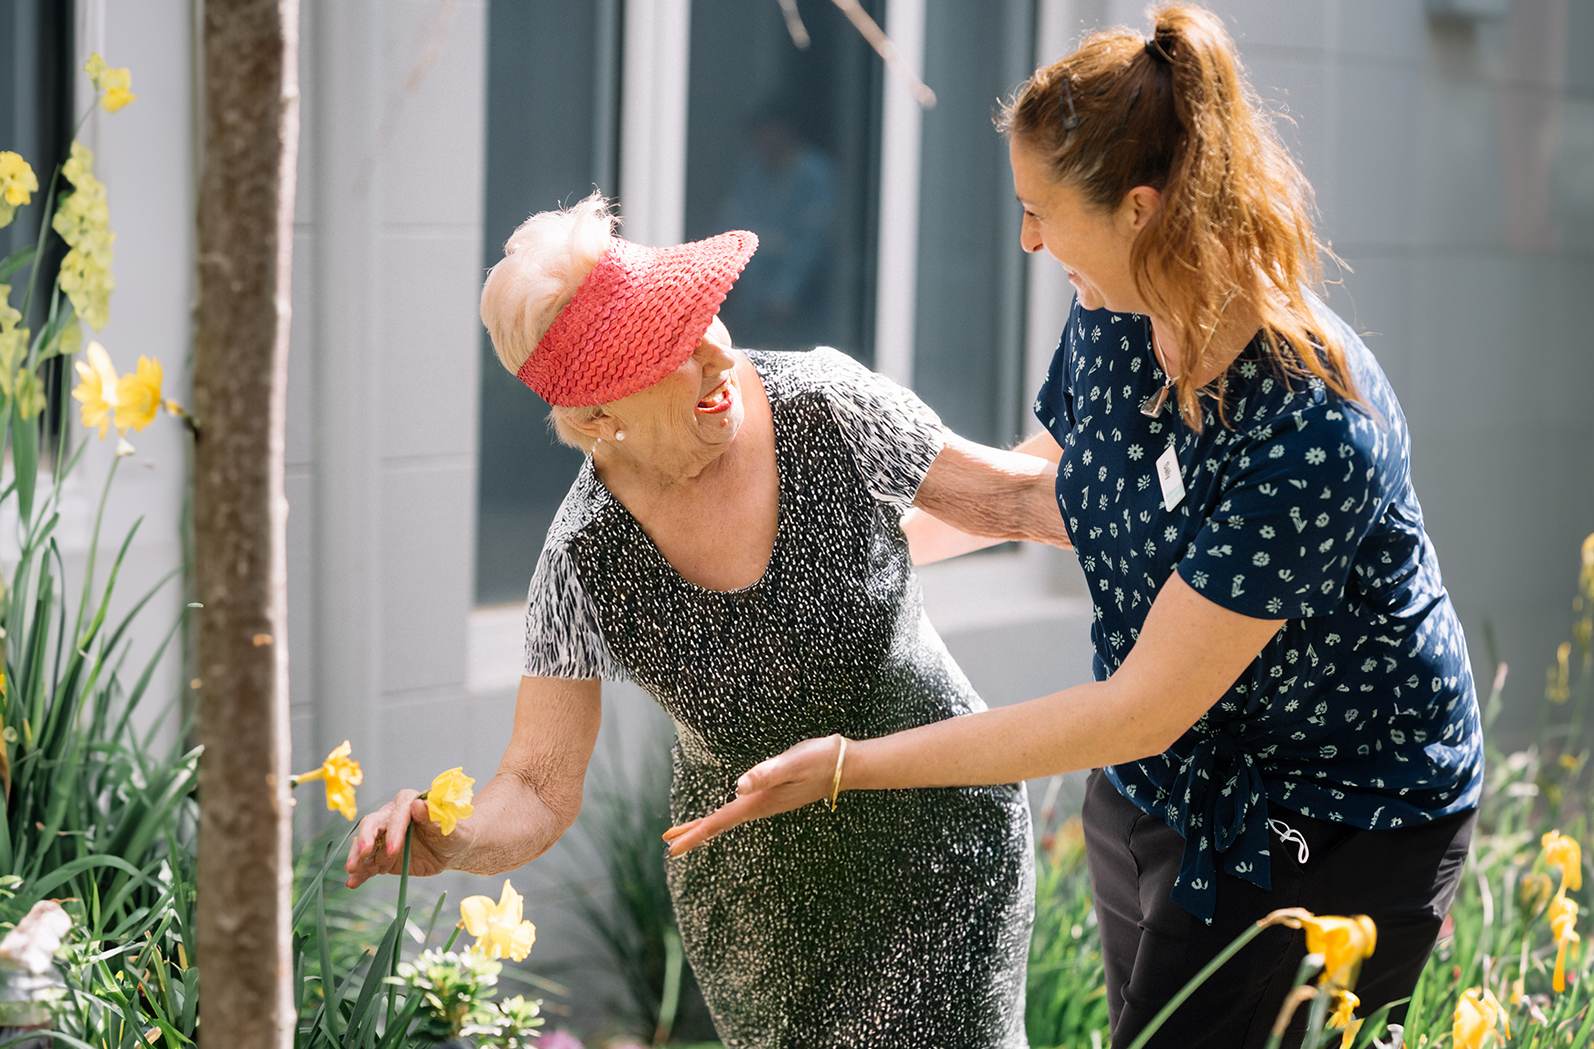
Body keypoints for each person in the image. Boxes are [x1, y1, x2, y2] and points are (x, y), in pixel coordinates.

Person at [665, 7, 1483, 1048]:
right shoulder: (1119, 308)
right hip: (1158, 778)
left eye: (1041, 210)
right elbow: (1039, 490)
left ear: (1140, 207)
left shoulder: (1315, 433)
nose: (1028, 239)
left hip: (1332, 812)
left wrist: (848, 762)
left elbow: (1133, 707)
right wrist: (799, 573)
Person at [344, 193, 1070, 1048]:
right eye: (670, 348)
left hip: (943, 833)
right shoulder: (583, 561)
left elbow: (1016, 499)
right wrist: (453, 836)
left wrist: (1207, 500)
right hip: (770, 914)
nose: (718, 350)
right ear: (597, 416)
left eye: (704, 314)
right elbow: (539, 786)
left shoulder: (825, 406)